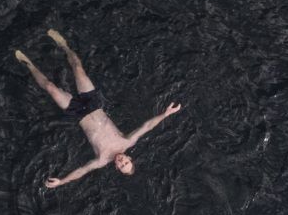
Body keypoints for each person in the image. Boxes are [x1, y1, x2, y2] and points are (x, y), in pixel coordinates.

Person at [15, 29, 183, 188]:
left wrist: (62, 181)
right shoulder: (127, 141)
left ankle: (28, 64)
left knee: (51, 88)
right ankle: (64, 45)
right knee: (78, 69)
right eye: (126, 162)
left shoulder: (101, 159)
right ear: (129, 157)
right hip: (93, 104)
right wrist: (166, 114)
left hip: (78, 114)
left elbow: (82, 171)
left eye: (121, 165)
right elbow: (146, 127)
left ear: (117, 168)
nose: (121, 161)